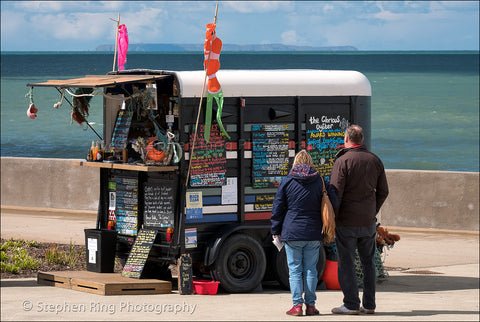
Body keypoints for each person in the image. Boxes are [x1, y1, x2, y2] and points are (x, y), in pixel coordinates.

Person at [330, 124, 389, 315]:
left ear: (346, 139)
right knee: (368, 263)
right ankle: (369, 304)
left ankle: (351, 304)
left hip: (346, 222)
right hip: (368, 221)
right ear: (362, 140)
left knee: (346, 263)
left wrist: (334, 219)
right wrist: (372, 210)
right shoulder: (375, 160)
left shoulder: (343, 161)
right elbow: (383, 191)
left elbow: (336, 194)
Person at [271, 150, 338, 316]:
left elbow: (277, 209)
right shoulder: (321, 181)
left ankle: (296, 306)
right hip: (314, 232)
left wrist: (275, 230)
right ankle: (311, 305)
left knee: (294, 270)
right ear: (310, 162)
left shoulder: (287, 182)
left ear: (295, 163)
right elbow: (335, 203)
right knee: (310, 270)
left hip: (292, 231)